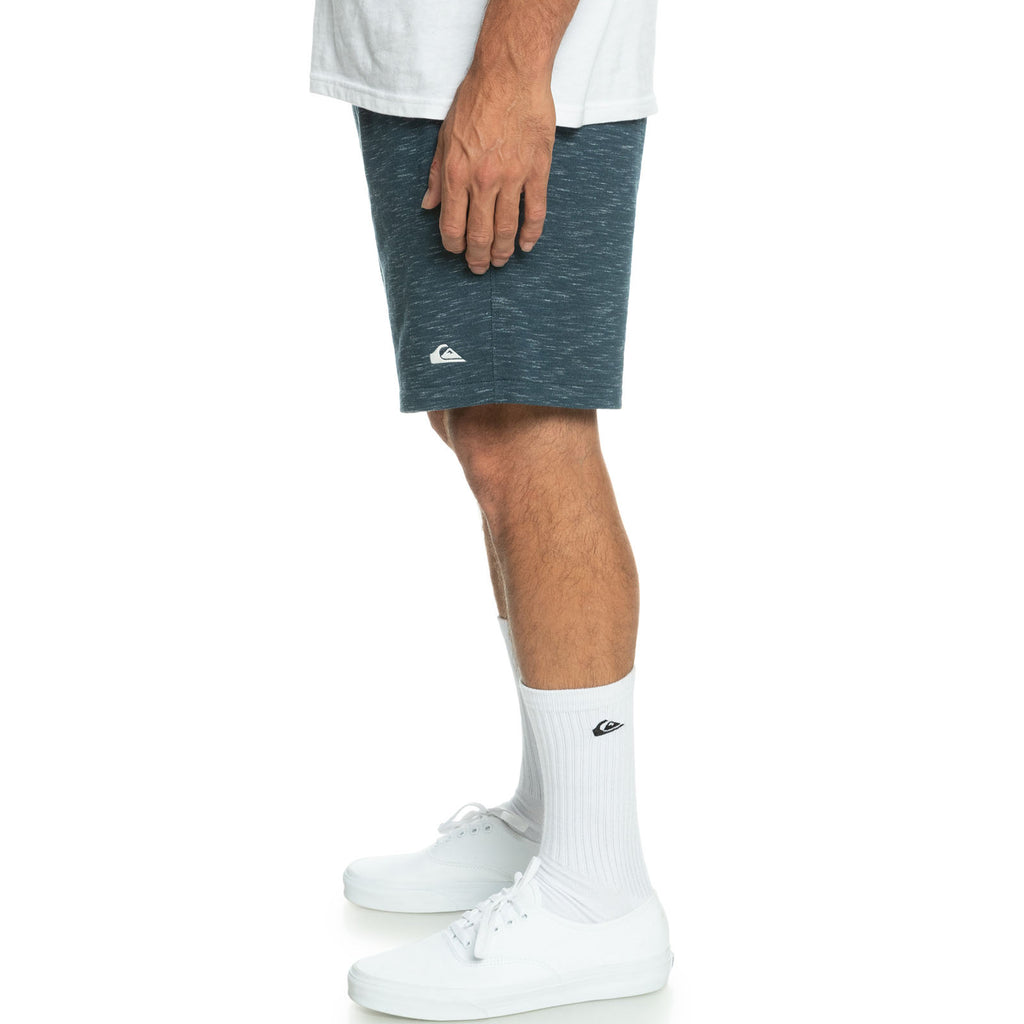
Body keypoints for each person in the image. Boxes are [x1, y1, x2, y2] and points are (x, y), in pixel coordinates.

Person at [310, 0, 671, 1017]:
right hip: (427, 65)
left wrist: (514, 71)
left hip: (506, 68)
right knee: (481, 423)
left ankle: (597, 894)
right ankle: (553, 821)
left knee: (527, 431)